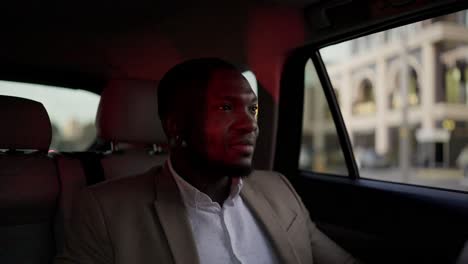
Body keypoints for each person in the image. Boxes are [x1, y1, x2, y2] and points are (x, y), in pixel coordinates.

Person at [55, 58, 358, 264]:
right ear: (176, 126)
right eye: (226, 107)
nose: (249, 125)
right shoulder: (104, 210)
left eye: (252, 109)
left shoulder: (278, 188)